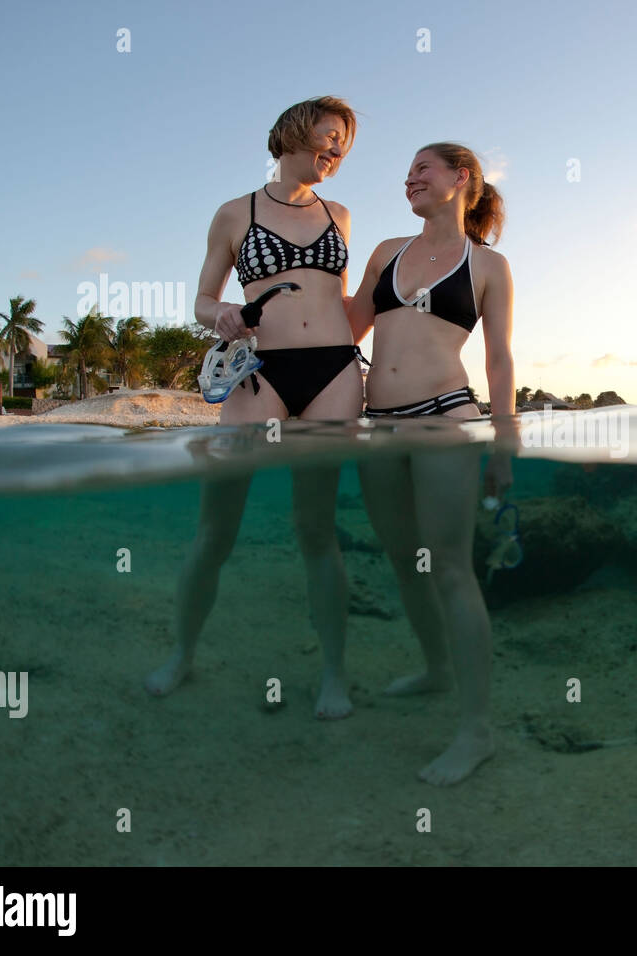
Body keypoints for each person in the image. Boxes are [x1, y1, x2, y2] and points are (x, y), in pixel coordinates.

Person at [146, 96, 363, 719]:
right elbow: (202, 299)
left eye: (343, 146)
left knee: (318, 532)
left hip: (334, 372)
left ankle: (333, 676)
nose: (335, 153)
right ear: (292, 134)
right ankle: (181, 654)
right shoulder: (232, 214)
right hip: (258, 372)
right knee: (216, 531)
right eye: (328, 138)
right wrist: (224, 316)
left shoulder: (341, 215)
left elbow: (340, 302)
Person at [347, 142, 518, 784]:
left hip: (448, 415)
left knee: (449, 568)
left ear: (461, 178)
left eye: (424, 167)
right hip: (378, 423)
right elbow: (347, 327)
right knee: (403, 561)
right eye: (409, 169)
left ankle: (477, 731)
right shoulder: (386, 252)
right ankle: (436, 669)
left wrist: (505, 440)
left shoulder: (490, 265)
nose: (410, 177)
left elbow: (499, 359)